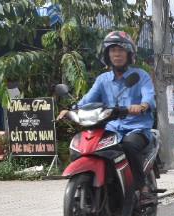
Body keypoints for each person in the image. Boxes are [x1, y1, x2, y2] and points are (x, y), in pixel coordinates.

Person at [57, 31, 156, 203]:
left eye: (120, 50)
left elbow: (148, 97)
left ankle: (143, 188)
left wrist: (142, 106)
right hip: (110, 129)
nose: (116, 54)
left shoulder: (140, 76)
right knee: (86, 145)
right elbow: (88, 100)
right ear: (107, 55)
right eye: (112, 51)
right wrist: (71, 110)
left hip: (136, 128)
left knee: (128, 146)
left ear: (128, 54)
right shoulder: (102, 80)